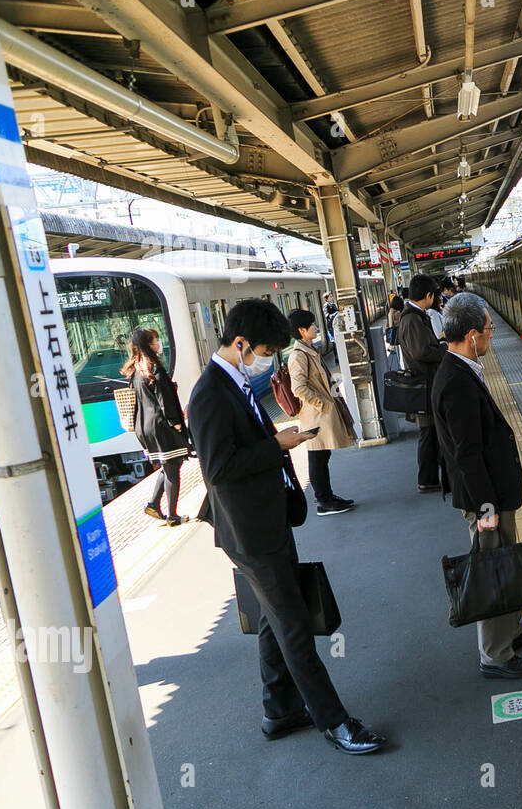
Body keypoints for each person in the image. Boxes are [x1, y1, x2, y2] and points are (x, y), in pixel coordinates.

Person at [188, 299, 386, 754]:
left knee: (273, 619)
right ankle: (335, 722)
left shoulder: (233, 382)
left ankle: (278, 711)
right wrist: (277, 445)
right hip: (250, 531)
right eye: (263, 350)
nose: (267, 360)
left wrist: (279, 445)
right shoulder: (210, 393)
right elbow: (217, 468)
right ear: (240, 344)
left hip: (266, 519)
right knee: (293, 624)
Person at [431, 292, 522, 679]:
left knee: (505, 561)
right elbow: (467, 454)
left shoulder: (459, 370)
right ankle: (495, 655)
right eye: (490, 331)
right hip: (486, 498)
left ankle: (511, 632)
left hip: (493, 493)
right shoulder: (455, 382)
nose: (492, 338)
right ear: (472, 335)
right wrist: (486, 508)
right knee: (492, 569)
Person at [287, 309, 356, 516]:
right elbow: (298, 388)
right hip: (315, 415)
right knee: (317, 456)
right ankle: (323, 501)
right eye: (312, 325)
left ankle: (327, 496)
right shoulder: (298, 356)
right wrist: (322, 404)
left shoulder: (309, 350)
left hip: (319, 413)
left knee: (322, 456)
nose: (316, 327)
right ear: (301, 330)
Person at [123, 327, 191, 526]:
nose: (158, 343)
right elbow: (165, 400)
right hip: (161, 426)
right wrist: (177, 424)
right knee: (172, 470)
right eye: (155, 340)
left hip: (144, 427)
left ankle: (153, 504)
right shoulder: (154, 368)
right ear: (147, 344)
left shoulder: (135, 370)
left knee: (169, 465)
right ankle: (172, 516)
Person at [401, 274, 445, 493]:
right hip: (423, 385)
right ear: (428, 296)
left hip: (427, 383)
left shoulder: (415, 316)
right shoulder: (411, 319)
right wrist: (444, 349)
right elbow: (421, 351)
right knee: (428, 433)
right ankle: (427, 480)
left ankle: (433, 477)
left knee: (432, 432)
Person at [385, 294, 406, 369]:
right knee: (403, 355)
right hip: (401, 337)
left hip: (396, 338)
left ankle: (402, 367)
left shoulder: (390, 312)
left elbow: (388, 326)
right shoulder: (398, 314)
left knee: (401, 355)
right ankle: (403, 368)